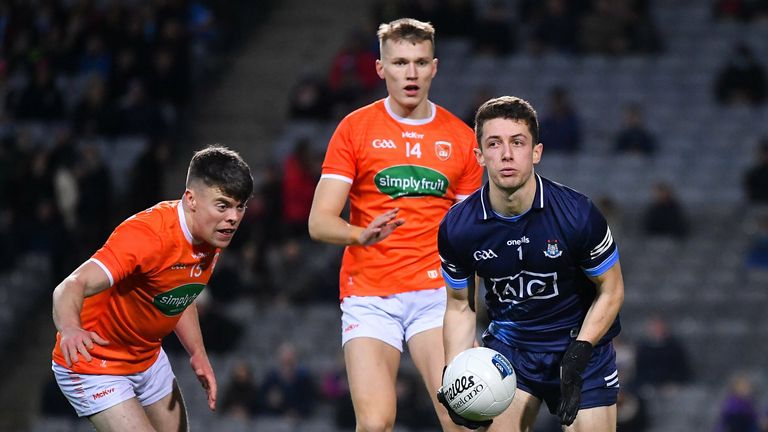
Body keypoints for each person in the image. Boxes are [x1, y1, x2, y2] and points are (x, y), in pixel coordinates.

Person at [307, 17, 483, 432]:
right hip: (369, 294)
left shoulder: (460, 138)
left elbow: (471, 235)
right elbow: (318, 221)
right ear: (380, 68)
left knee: (463, 417)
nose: (411, 73)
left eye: (420, 63)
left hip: (435, 296)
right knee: (375, 423)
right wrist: (358, 234)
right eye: (400, 62)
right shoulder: (354, 129)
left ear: (435, 67)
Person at [437, 96, 625, 430]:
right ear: (479, 155)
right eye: (494, 143)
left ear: (536, 152)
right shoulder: (458, 228)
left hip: (581, 348)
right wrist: (455, 374)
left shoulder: (578, 214)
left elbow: (611, 291)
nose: (506, 154)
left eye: (517, 142)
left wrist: (580, 352)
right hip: (512, 351)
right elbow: (459, 307)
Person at [51, 145, 253, 431]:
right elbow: (71, 285)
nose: (233, 218)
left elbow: (179, 294)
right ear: (191, 199)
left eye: (240, 206)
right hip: (95, 363)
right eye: (223, 205)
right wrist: (70, 328)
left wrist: (197, 353)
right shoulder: (148, 237)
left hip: (147, 357)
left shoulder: (212, 235)